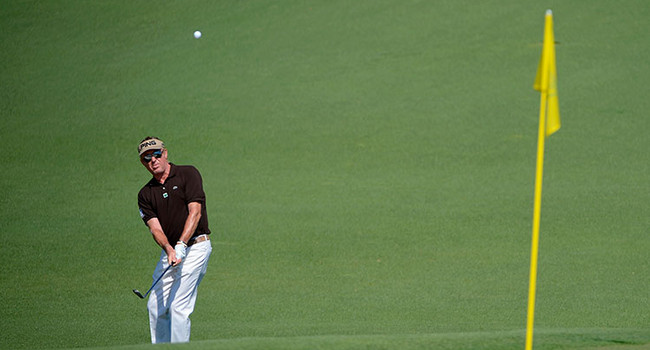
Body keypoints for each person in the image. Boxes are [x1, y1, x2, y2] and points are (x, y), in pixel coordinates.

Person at [136, 137, 212, 343]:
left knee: (179, 306)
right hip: (170, 252)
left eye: (157, 154)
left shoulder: (188, 174)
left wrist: (181, 243)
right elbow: (155, 229)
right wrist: (170, 248)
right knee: (155, 305)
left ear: (165, 153)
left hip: (196, 246)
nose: (153, 160)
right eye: (147, 158)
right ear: (143, 163)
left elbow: (195, 212)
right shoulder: (145, 194)